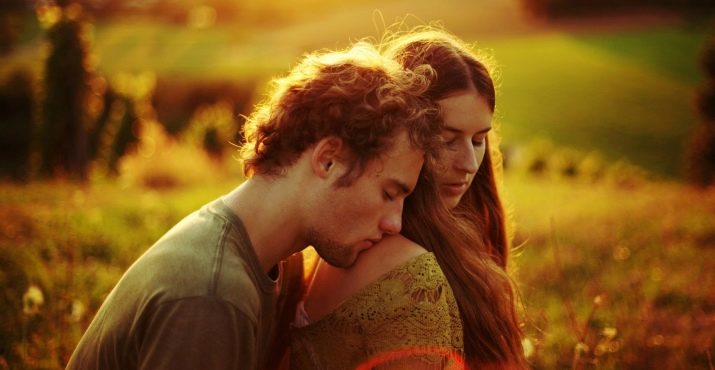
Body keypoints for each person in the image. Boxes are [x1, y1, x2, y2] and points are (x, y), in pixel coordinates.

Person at [65, 42, 444, 370]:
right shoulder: (212, 296)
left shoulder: (274, 266)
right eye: (389, 193)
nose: (395, 223)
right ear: (328, 160)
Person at [289, 29, 528, 369]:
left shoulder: (349, 240)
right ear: (402, 133)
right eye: (447, 140)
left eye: (478, 141)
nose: (469, 164)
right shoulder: (407, 271)